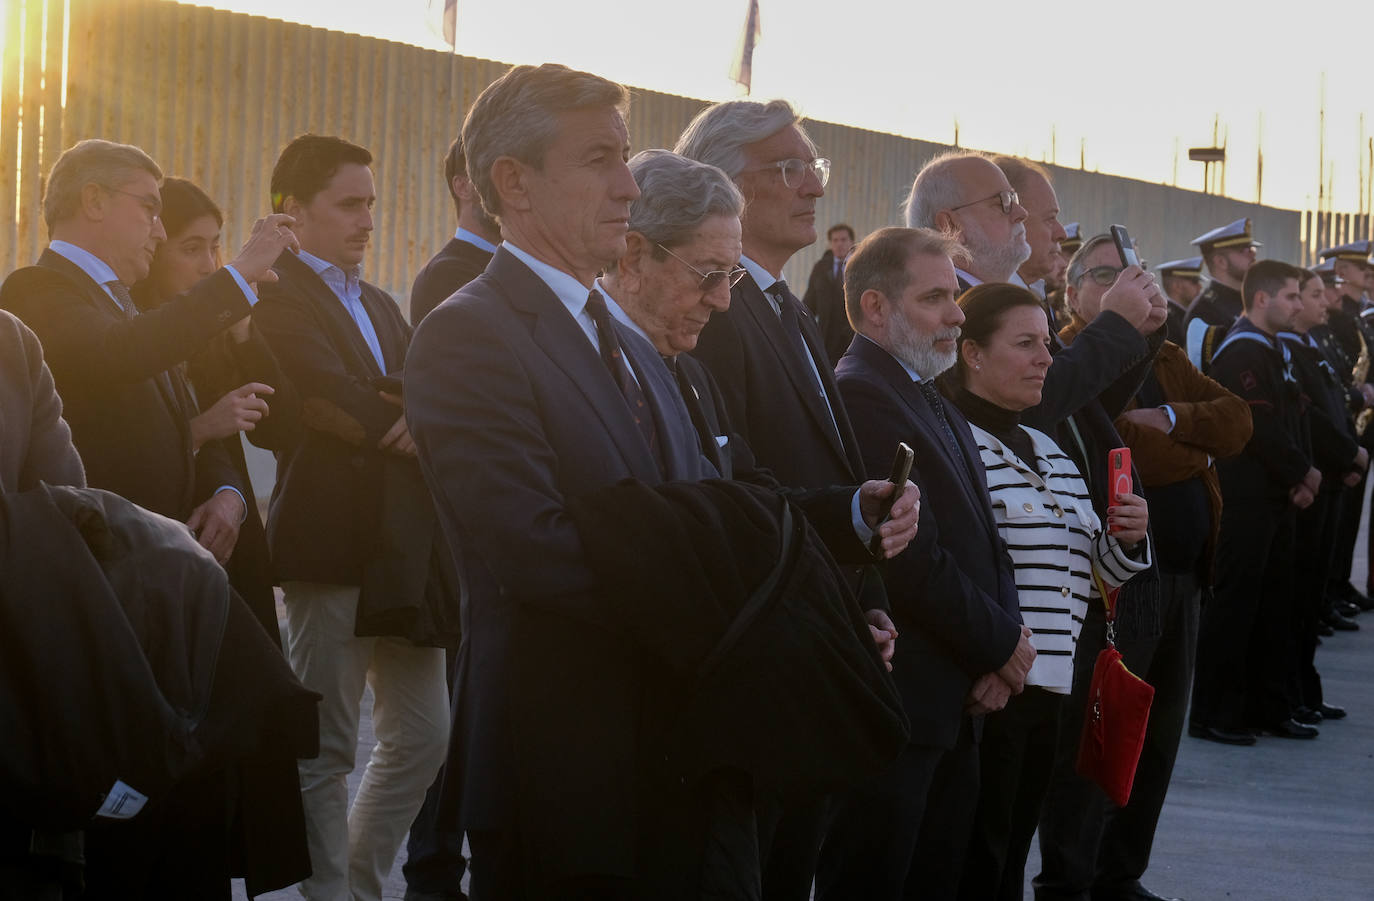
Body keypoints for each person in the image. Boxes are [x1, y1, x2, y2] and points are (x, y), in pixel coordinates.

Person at [405, 65, 914, 901]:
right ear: (514, 182)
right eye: (600, 158)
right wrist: (746, 623)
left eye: (626, 155)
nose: (626, 183)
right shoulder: (470, 335)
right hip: (570, 769)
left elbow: (727, 497)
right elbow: (536, 550)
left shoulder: (634, 340)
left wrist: (844, 516)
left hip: (686, 753)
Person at [0, 138, 300, 898]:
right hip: (106, 605)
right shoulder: (37, 293)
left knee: (182, 819)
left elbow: (190, 424)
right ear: (92, 201)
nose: (159, 232)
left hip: (162, 601)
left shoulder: (132, 307)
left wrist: (228, 490)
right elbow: (117, 357)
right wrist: (236, 278)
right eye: (147, 206)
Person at [677, 98, 909, 899]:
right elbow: (739, 484)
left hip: (821, 637)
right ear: (721, 185)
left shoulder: (787, 309)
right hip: (766, 653)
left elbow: (837, 470)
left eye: (815, 167)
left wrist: (866, 603)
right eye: (788, 168)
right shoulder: (716, 310)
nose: (812, 185)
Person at [252, 133, 454, 901]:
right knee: (326, 748)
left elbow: (422, 390)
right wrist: (396, 414)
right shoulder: (272, 290)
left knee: (426, 735)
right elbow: (315, 388)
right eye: (349, 204)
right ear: (292, 212)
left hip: (405, 552)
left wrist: (414, 412)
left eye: (370, 202)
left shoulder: (378, 300)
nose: (367, 218)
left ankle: (362, 884)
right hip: (327, 544)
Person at [816, 227, 1032, 901]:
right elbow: (911, 557)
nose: (957, 314)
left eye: (956, 296)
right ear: (876, 307)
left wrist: (1002, 648)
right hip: (904, 706)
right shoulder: (864, 393)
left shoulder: (924, 390)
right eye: (936, 297)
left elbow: (985, 540)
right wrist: (999, 644)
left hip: (952, 698)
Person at [947, 282, 1152, 901]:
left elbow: (1093, 579)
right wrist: (991, 659)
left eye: (1048, 343)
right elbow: (956, 568)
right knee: (974, 862)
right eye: (1026, 344)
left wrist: (1128, 539)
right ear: (972, 354)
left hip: (1049, 690)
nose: (1046, 358)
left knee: (1009, 856)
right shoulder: (956, 442)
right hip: (984, 693)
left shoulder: (1046, 445)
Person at [1062, 233, 1251, 901]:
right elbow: (1122, 447)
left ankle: (1122, 876)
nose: (1130, 286)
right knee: (1110, 734)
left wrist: (1173, 416)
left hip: (1183, 576)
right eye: (1108, 275)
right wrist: (1194, 450)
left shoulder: (1164, 354)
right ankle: (1076, 876)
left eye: (1134, 273)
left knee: (1160, 738)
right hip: (1124, 582)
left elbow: (1237, 422)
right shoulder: (1074, 359)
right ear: (1074, 291)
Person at [130, 176, 301, 642]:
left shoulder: (218, 329)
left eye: (216, 248)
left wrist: (243, 331)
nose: (209, 266)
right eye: (191, 249)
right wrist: (201, 427)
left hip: (230, 538)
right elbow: (119, 448)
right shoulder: (131, 334)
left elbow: (281, 426)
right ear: (155, 249)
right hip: (162, 539)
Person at [904, 151, 1162, 433]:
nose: (1020, 213)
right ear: (952, 226)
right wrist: (1117, 323)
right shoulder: (946, 313)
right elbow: (1030, 411)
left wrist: (1138, 332)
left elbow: (1079, 417)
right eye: (1004, 203)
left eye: (1015, 200)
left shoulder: (995, 298)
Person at [1190, 260, 1318, 744]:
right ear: (1262, 299)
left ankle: (1266, 706)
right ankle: (1214, 712)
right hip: (1246, 499)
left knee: (1272, 607)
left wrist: (1298, 475)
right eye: (1290, 296)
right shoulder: (1242, 350)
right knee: (1236, 608)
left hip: (1273, 498)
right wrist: (1302, 472)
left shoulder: (1268, 347)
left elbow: (1288, 420)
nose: (1299, 304)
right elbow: (1257, 426)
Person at [1278, 268, 1363, 722]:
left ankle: (1305, 691)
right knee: (1299, 599)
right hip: (1312, 485)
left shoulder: (1312, 346)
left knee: (1310, 600)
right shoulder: (1288, 348)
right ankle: (1292, 693)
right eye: (1309, 295)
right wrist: (1350, 454)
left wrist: (1349, 459)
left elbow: (1334, 404)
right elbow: (1309, 421)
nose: (1321, 303)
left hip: (1331, 479)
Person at [409, 135, 501, 325]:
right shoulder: (445, 275)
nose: (509, 187)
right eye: (494, 175)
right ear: (462, 187)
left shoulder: (500, 262)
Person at [1183, 218, 1259, 370]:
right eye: (1244, 250)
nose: (1252, 255)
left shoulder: (1248, 301)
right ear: (1220, 262)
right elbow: (1211, 375)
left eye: (1252, 249)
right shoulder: (1205, 312)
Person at [988, 155, 1067, 296]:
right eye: (1050, 219)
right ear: (1013, 218)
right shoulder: (991, 301)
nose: (1061, 234)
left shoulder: (1034, 292)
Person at [803, 222, 857, 365]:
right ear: (830, 244)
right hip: (826, 339)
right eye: (835, 240)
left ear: (852, 242)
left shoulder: (860, 267)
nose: (839, 244)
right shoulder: (821, 267)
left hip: (852, 339)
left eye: (843, 240)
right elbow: (809, 303)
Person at [1155, 256, 1204, 346]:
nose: (1200, 286)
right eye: (1194, 281)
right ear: (1177, 286)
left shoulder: (1182, 315)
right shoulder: (1167, 320)